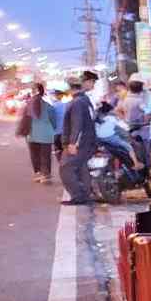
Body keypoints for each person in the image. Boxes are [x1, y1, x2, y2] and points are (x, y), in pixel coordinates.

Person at [59, 70, 99, 205]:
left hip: (81, 143)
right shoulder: (84, 100)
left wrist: (73, 143)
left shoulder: (77, 102)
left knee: (66, 168)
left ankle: (78, 195)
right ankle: (85, 195)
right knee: (81, 167)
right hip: (87, 142)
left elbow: (78, 124)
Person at [22, 83, 56, 183]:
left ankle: (38, 173)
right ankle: (46, 175)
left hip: (31, 134)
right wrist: (53, 129)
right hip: (46, 134)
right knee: (45, 155)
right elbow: (54, 121)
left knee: (34, 154)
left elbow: (24, 120)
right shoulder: (49, 106)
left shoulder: (28, 105)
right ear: (42, 93)